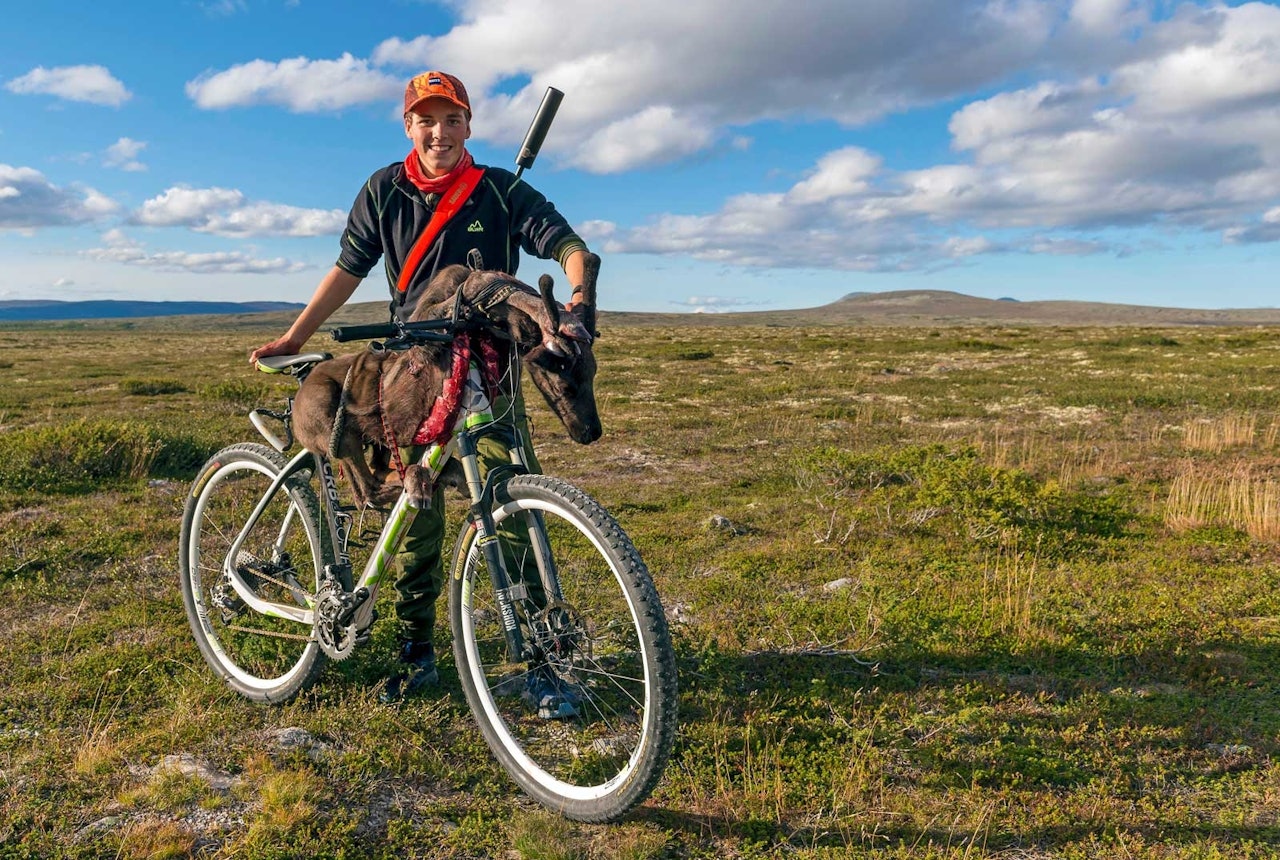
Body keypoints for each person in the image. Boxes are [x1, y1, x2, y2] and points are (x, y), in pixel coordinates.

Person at [250, 70, 590, 711]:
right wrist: (296, 337)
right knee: (417, 513)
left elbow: (564, 241)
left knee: (513, 508)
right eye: (425, 119)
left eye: (452, 118)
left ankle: (543, 659)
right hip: (413, 369)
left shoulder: (499, 190)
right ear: (409, 125)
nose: (439, 132)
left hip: (488, 370)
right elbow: (347, 270)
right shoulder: (384, 191)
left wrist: (575, 296)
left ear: (468, 125)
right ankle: (416, 651)